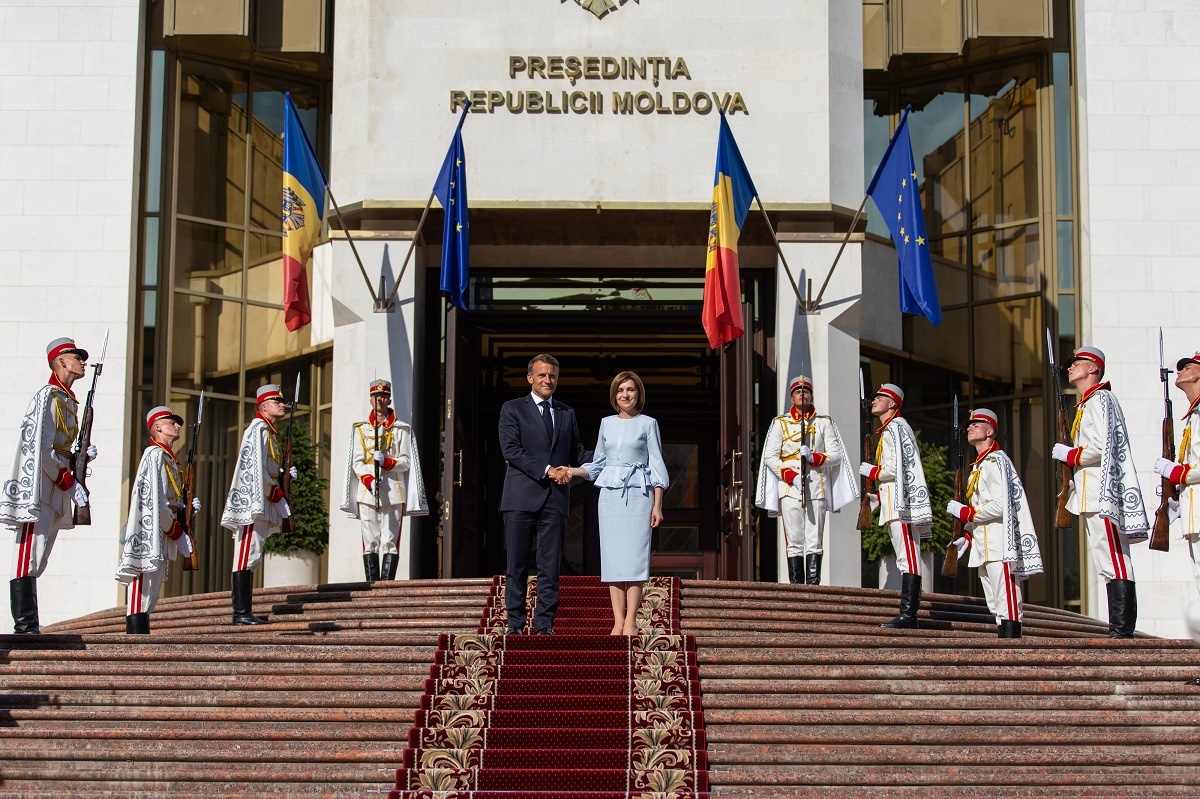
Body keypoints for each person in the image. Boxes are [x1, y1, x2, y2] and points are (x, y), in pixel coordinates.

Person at [1050, 346, 1148, 638]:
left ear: (1093, 367)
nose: (1070, 368)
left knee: (1115, 558)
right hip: (1090, 492)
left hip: (1102, 492)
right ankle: (1117, 626)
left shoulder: (1100, 400)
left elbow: (1102, 448)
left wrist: (1071, 455)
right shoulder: (1086, 403)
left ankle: (1122, 627)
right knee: (1105, 561)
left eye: (1076, 363)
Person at [3, 337, 96, 634]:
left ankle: (30, 623)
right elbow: (41, 448)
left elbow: (60, 447)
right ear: (61, 361)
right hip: (41, 486)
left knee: (40, 556)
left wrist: (80, 457)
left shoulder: (67, 400)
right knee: (28, 555)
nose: (82, 361)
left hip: (57, 485)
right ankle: (25, 624)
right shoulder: (49, 396)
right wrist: (68, 480)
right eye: (76, 356)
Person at [566, 371, 669, 635]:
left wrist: (657, 505)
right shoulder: (606, 423)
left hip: (639, 495)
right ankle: (617, 620)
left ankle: (631, 620)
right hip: (610, 496)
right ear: (614, 395)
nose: (625, 394)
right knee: (613, 559)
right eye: (621, 390)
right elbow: (599, 463)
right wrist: (573, 470)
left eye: (631, 390)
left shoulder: (649, 423)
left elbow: (656, 466)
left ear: (638, 394)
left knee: (634, 558)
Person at [498, 354, 589, 635]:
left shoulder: (566, 412)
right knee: (517, 564)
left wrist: (610, 456)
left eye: (552, 376)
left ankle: (544, 625)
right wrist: (549, 469)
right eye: (541, 375)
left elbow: (576, 452)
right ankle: (515, 624)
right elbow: (511, 450)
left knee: (550, 567)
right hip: (520, 498)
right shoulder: (512, 409)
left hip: (555, 499)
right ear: (530, 378)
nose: (547, 380)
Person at [943, 408, 1044, 639]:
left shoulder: (996, 462)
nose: (970, 427)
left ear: (990, 431)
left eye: (976, 424)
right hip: (984, 545)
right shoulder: (979, 466)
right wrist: (967, 535)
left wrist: (968, 514)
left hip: (1001, 543)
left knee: (1007, 599)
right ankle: (1004, 646)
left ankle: (1012, 649)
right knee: (995, 602)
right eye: (969, 425)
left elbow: (1001, 505)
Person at [755, 375, 858, 585]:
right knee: (794, 541)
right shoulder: (780, 423)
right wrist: (789, 475)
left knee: (815, 540)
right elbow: (770, 457)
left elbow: (836, 455)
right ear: (791, 398)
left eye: (806, 391)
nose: (802, 394)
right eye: (797, 391)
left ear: (811, 396)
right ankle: (796, 587)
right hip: (790, 487)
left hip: (816, 486)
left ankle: (813, 586)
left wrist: (815, 457)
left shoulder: (824, 423)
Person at [115, 406, 200, 634]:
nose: (177, 425)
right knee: (141, 589)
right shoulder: (154, 455)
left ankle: (141, 641)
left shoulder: (168, 459)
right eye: (171, 422)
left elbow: (169, 497)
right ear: (157, 427)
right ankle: (135, 643)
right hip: (151, 531)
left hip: (162, 531)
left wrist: (186, 506)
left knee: (151, 593)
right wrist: (177, 532)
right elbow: (155, 501)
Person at [219, 384, 295, 625]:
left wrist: (284, 475)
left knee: (253, 555)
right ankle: (240, 613)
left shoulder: (270, 432)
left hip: (263, 500)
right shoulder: (258, 429)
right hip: (254, 503)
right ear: (263, 406)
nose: (282, 404)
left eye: (282, 401)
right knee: (245, 555)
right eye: (276, 401)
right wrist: (276, 493)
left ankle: (245, 610)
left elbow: (267, 468)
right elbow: (253, 469)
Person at [339, 379, 428, 582]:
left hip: (394, 490)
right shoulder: (360, 429)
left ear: (389, 399)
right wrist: (369, 479)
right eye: (376, 396)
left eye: (384, 396)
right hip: (368, 490)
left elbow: (406, 462)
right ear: (371, 400)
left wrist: (387, 462)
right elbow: (357, 461)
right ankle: (371, 585)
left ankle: (387, 587)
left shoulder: (401, 429)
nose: (380, 399)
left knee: (390, 540)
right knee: (370, 540)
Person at [859, 383, 932, 629]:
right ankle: (907, 613)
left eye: (880, 397)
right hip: (893, 504)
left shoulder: (895, 428)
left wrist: (874, 472)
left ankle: (909, 614)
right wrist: (878, 496)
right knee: (905, 557)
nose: (874, 401)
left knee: (909, 557)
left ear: (892, 403)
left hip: (902, 507)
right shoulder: (890, 429)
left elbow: (894, 469)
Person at [1153, 351, 1200, 679]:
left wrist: (1179, 474)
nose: (1180, 370)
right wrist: (1174, 499)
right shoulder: (1192, 416)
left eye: (1188, 366)